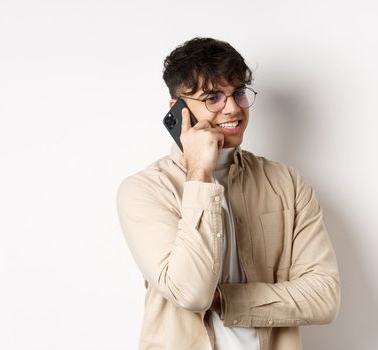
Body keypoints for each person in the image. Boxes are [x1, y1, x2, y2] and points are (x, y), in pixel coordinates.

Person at [115, 37, 340, 349]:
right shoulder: (144, 191)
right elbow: (191, 293)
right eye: (213, 97)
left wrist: (224, 299)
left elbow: (324, 297)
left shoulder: (288, 183)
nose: (233, 108)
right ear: (178, 110)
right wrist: (199, 175)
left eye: (238, 93)